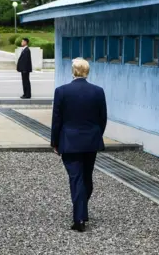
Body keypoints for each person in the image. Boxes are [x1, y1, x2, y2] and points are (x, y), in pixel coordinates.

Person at [50, 58, 107, 233]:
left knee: (76, 178)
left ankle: (79, 218)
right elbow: (102, 118)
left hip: (70, 140)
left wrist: (55, 141)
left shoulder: (62, 91)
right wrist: (96, 135)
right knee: (87, 178)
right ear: (87, 71)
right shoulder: (98, 91)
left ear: (73, 71)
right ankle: (81, 211)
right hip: (91, 141)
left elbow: (57, 119)